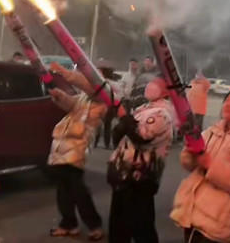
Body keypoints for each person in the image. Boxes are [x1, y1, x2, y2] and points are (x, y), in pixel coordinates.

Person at [171, 87, 230, 243]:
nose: (227, 105)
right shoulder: (211, 132)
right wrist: (190, 150)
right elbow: (187, 164)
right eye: (226, 100)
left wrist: (209, 163)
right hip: (191, 217)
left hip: (216, 227)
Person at [107, 77, 175, 242]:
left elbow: (141, 136)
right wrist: (121, 123)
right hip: (124, 175)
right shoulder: (143, 108)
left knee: (141, 225)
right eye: (150, 83)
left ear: (165, 91)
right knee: (118, 224)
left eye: (156, 85)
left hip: (140, 178)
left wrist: (124, 118)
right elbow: (121, 134)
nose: (150, 86)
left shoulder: (162, 114)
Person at [46, 63, 108, 241]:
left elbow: (90, 87)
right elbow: (71, 104)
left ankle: (94, 225)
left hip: (78, 146)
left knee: (78, 189)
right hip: (62, 145)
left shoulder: (103, 94)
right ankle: (68, 224)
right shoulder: (84, 97)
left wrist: (67, 73)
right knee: (63, 189)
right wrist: (60, 96)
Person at [95, 67, 124, 150]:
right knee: (102, 125)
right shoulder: (102, 82)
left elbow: (117, 93)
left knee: (103, 125)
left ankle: (101, 143)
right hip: (105, 105)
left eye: (100, 72)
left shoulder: (107, 82)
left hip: (107, 106)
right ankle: (101, 143)